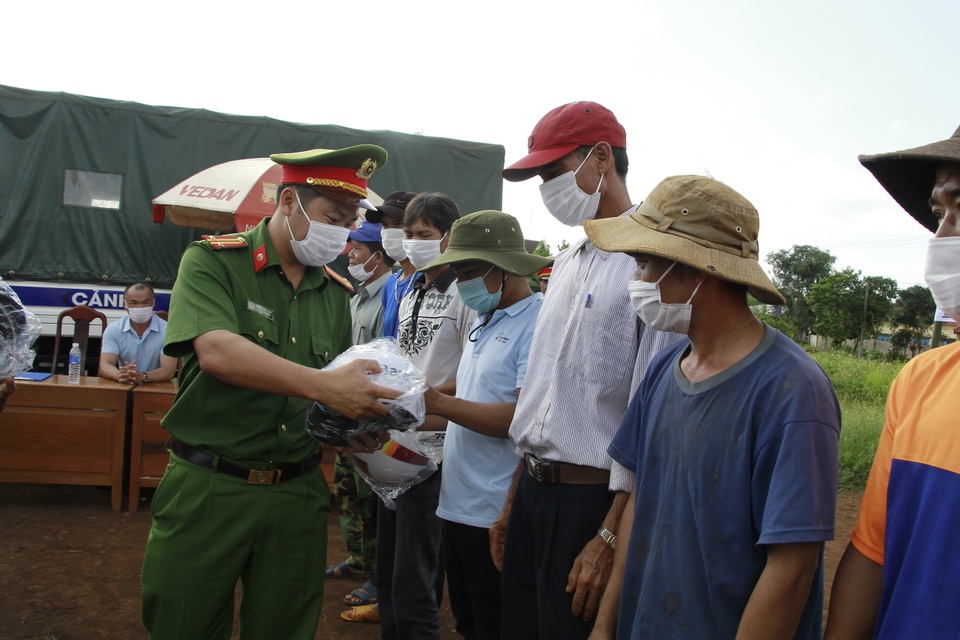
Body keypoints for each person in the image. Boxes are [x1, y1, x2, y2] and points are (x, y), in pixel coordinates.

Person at [140, 145, 402, 640]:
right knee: (184, 623)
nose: (341, 233)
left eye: (349, 223)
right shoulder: (213, 261)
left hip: (296, 494)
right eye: (333, 218)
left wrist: (355, 426)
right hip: (210, 486)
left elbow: (329, 395)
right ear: (287, 202)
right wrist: (326, 386)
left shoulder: (335, 293)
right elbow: (217, 352)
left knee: (284, 628)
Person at [584, 175, 841, 639]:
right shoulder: (665, 369)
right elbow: (640, 501)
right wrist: (605, 627)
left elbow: (792, 570)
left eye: (644, 265)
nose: (635, 282)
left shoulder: (791, 391)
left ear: (696, 270)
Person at [493, 101, 681, 640]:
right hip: (533, 495)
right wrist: (513, 502)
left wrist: (610, 536)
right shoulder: (567, 264)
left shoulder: (653, 264)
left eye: (554, 171)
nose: (546, 188)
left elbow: (653, 420)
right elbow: (541, 399)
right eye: (540, 178)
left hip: (592, 504)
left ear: (601, 158)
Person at [825, 125, 960, 639]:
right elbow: (872, 553)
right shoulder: (922, 379)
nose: (942, 237)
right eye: (939, 213)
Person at [421, 210, 551, 640]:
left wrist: (438, 402)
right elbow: (472, 390)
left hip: (495, 511)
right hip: (458, 503)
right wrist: (410, 407)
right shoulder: (486, 317)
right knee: (469, 621)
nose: (461, 284)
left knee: (496, 623)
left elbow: (520, 419)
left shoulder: (537, 323)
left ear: (504, 268)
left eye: (468, 271)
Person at [375, 191, 474, 640]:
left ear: (448, 236)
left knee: (416, 580)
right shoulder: (409, 290)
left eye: (424, 234)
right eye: (409, 234)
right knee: (388, 573)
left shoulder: (465, 294)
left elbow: (472, 375)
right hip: (397, 444)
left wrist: (420, 398)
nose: (413, 242)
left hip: (436, 451)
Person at [328, 218, 395, 613]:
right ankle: (357, 558)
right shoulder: (356, 296)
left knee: (371, 498)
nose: (350, 256)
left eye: (357, 250)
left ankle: (375, 575)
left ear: (378, 256)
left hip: (371, 415)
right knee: (347, 492)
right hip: (345, 411)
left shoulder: (391, 294)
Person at [98, 282, 178, 385]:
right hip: (124, 386)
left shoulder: (168, 330)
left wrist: (143, 377)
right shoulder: (113, 330)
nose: (140, 307)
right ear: (125, 304)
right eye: (134, 303)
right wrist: (120, 375)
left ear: (153, 303)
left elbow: (168, 370)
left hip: (157, 388)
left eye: (145, 302)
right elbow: (105, 365)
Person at [366, 190, 419, 338]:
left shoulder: (430, 279)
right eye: (385, 225)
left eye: (399, 223)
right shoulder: (391, 284)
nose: (390, 231)